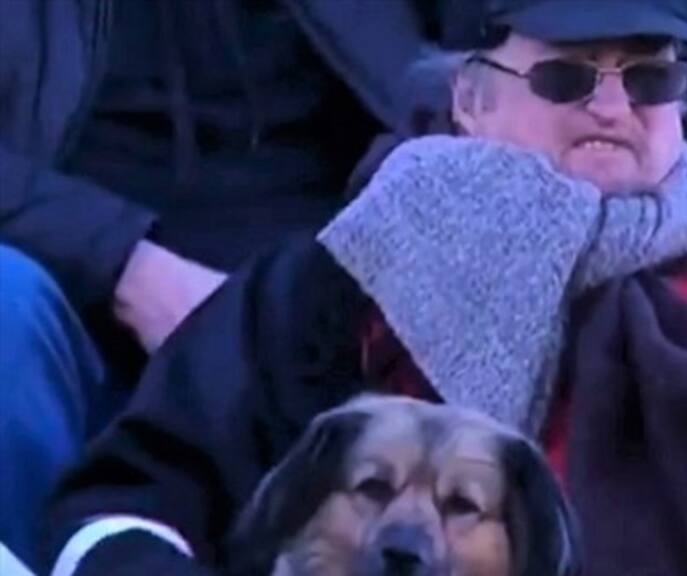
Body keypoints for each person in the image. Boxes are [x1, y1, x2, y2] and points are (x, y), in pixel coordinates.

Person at [42, 0, 687, 575]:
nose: (612, 107)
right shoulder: (332, 284)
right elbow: (138, 499)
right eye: (566, 76)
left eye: (649, 78)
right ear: (471, 99)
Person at [0, 0, 437, 570]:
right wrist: (122, 261)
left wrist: (297, 298)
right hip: (71, 304)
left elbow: (507, 54)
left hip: (322, 299)